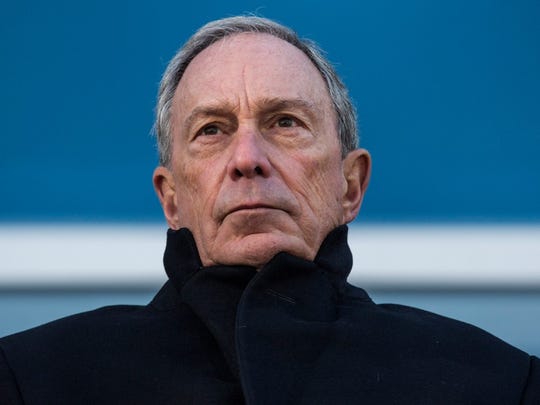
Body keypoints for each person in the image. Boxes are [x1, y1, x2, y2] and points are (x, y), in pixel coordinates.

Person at [0, 15, 538, 404]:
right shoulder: (31, 379)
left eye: (285, 123)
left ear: (350, 186)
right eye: (212, 130)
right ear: (172, 198)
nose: (247, 159)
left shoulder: (500, 385)